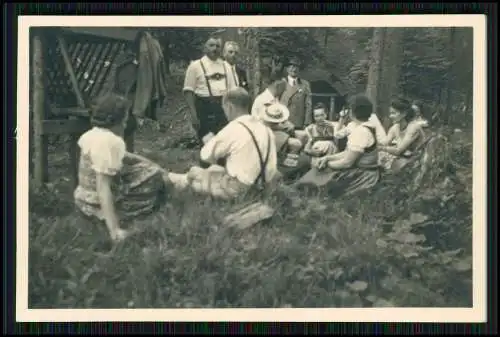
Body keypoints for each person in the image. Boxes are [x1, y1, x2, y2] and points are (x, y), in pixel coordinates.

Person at [73, 92, 171, 242]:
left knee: (150, 169)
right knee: (154, 178)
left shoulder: (91, 135)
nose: (125, 125)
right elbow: (103, 185)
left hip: (82, 199)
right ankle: (117, 216)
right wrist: (114, 230)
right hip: (96, 203)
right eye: (124, 121)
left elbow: (127, 156)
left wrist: (152, 164)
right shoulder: (111, 142)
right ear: (115, 121)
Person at [167, 88, 279, 200]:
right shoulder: (265, 129)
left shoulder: (234, 127)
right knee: (214, 170)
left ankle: (176, 181)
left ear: (230, 107)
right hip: (263, 186)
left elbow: (205, 156)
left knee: (194, 173)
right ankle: (180, 179)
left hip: (239, 190)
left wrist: (210, 141)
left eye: (224, 108)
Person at [295, 94, 381, 197]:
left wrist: (327, 164)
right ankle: (301, 190)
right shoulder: (364, 127)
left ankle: (302, 193)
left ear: (352, 112)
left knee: (321, 181)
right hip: (359, 169)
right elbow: (348, 153)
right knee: (317, 174)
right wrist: (328, 158)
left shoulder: (361, 132)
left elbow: (347, 163)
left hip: (363, 175)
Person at [183, 37, 238, 144]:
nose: (215, 48)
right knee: (207, 145)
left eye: (217, 46)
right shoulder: (195, 66)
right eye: (211, 45)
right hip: (204, 110)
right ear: (205, 48)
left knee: (224, 144)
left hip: (223, 110)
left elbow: (233, 92)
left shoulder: (226, 66)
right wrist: (194, 116)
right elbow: (188, 92)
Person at [258, 103, 310, 180]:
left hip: (274, 153)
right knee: (304, 159)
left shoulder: (272, 123)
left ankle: (289, 170)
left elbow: (283, 126)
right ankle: (287, 173)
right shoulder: (264, 127)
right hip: (271, 159)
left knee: (303, 156)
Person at [377, 97, 430, 172]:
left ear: (404, 114)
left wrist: (381, 148)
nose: (390, 116)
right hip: (403, 157)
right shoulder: (395, 127)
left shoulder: (413, 127)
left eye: (394, 113)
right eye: (390, 113)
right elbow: (384, 143)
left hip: (417, 162)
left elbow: (399, 150)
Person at [279, 56, 313, 130]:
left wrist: (307, 123)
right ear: (287, 69)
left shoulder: (305, 84)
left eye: (296, 67)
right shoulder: (281, 83)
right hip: (284, 123)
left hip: (299, 124)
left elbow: (308, 105)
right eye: (291, 66)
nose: (294, 69)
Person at [303, 103, 339, 167]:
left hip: (331, 154)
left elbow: (337, 145)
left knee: (328, 144)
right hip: (317, 155)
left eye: (322, 115)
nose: (319, 118)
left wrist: (332, 129)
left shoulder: (333, 126)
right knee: (318, 145)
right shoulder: (310, 129)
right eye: (316, 116)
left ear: (326, 115)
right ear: (314, 117)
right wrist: (312, 152)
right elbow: (306, 149)